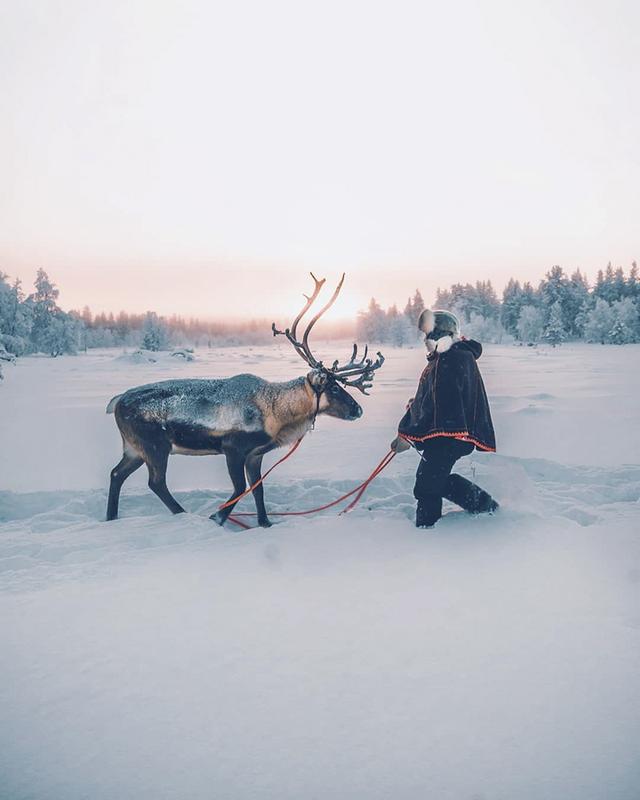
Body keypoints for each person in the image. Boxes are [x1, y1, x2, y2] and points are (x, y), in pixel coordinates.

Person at [390, 309, 499, 528]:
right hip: (450, 435)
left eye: (429, 335)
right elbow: (438, 398)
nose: (425, 340)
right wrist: (417, 406)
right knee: (434, 482)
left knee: (426, 486)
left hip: (449, 436)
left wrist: (412, 428)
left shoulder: (451, 358)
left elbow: (443, 402)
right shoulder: (452, 356)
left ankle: (428, 530)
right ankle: (487, 507)